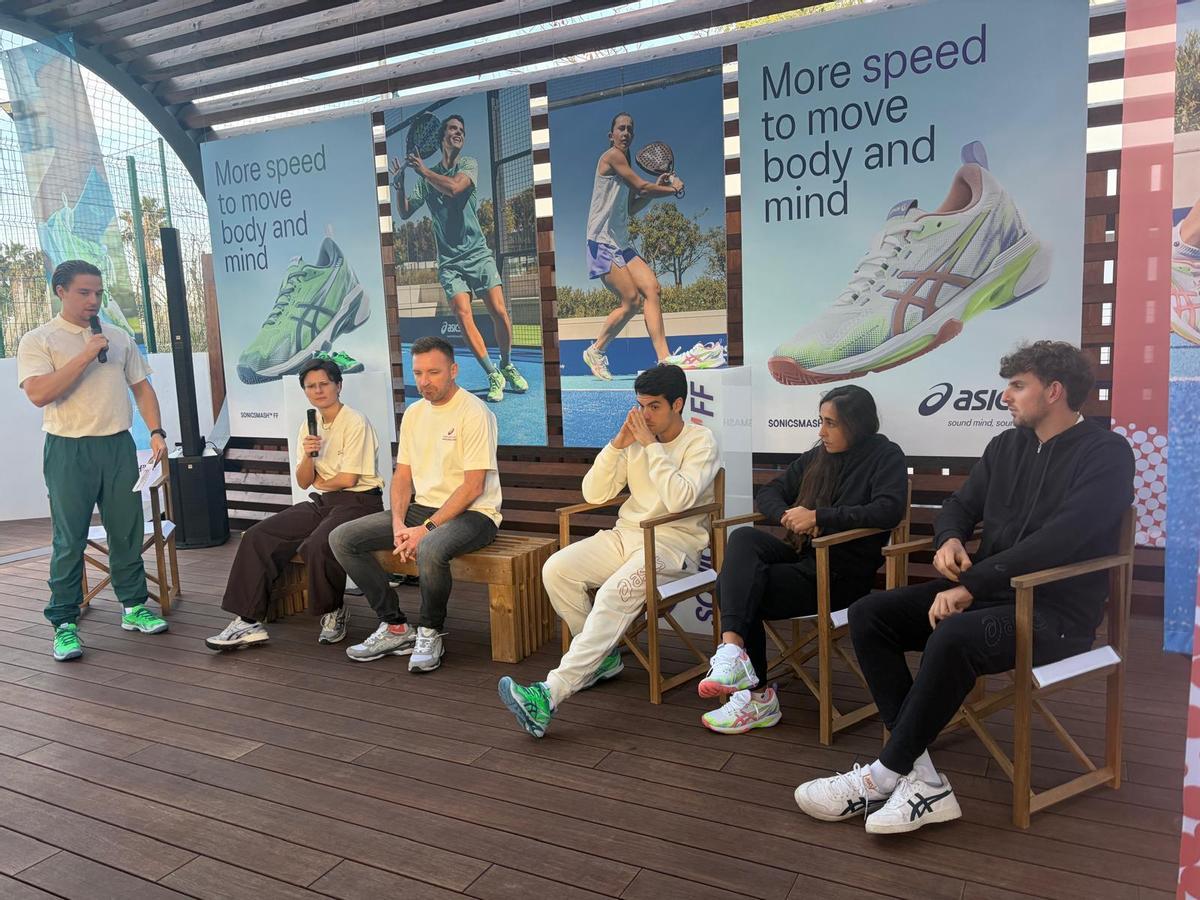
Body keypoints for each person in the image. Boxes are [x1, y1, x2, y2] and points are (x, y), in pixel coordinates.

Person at [794, 341, 1135, 834]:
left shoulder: (1107, 454)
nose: (1006, 397)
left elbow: (1062, 540)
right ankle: (922, 778)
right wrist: (950, 537)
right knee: (871, 614)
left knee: (952, 636)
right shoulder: (1005, 446)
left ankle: (883, 775)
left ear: (1055, 391)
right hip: (991, 595)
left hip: (1055, 613)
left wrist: (971, 585)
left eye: (1018, 386)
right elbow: (959, 505)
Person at [498, 364, 720, 737]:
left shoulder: (701, 441)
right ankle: (601, 659)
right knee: (556, 569)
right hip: (626, 535)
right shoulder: (634, 439)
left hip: (672, 547)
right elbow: (593, 494)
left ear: (677, 404)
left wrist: (651, 448)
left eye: (653, 407)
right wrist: (617, 445)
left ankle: (549, 694)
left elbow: (680, 498)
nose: (644, 415)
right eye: (640, 405)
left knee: (614, 594)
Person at [699, 385, 907, 734]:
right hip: (803, 557)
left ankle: (758, 696)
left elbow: (888, 510)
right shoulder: (818, 455)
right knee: (744, 538)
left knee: (736, 589)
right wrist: (787, 515)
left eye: (831, 423)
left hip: (840, 575)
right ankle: (734, 652)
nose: (821, 431)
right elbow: (769, 491)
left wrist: (820, 517)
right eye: (820, 421)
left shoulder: (885, 455)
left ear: (856, 425)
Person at [17, 259, 170, 661]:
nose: (93, 300)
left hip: (117, 446)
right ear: (60, 291)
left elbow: (142, 389)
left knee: (126, 530)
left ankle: (134, 606)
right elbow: (39, 394)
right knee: (69, 539)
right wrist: (85, 355)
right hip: (68, 449)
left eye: (99, 293)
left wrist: (156, 431)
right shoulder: (39, 340)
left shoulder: (118, 336)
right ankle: (64, 623)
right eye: (84, 292)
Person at [330, 335, 501, 672]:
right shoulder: (413, 413)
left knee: (430, 549)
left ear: (453, 370)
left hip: (475, 513)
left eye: (433, 372)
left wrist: (423, 530)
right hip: (422, 509)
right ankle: (395, 626)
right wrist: (397, 525)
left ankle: (430, 630)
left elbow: (473, 486)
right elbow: (403, 476)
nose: (425, 381)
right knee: (342, 538)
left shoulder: (474, 412)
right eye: (418, 373)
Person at [206, 358, 385, 650]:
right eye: (311, 386)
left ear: (338, 385)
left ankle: (333, 610)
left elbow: (348, 479)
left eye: (324, 384)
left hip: (360, 502)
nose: (318, 390)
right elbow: (304, 481)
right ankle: (248, 621)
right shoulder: (309, 425)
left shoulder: (355, 421)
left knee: (317, 543)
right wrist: (309, 456)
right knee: (257, 535)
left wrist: (321, 482)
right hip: (324, 502)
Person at [393, 113, 528, 403]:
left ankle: (506, 362)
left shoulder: (468, 165)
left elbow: (455, 188)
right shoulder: (424, 180)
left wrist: (424, 172)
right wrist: (400, 183)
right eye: (452, 129)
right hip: (450, 263)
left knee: (500, 312)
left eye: (462, 131)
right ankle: (492, 373)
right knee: (463, 314)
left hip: (478, 253)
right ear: (442, 138)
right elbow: (404, 212)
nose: (458, 133)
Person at [580, 113, 722, 381]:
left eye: (630, 130)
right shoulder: (612, 156)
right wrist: (673, 189)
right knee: (631, 301)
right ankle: (595, 350)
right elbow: (641, 186)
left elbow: (634, 205)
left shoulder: (626, 166)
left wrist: (657, 188)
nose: (626, 133)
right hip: (600, 241)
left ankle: (664, 359)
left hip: (622, 243)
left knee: (652, 289)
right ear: (611, 135)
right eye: (621, 129)